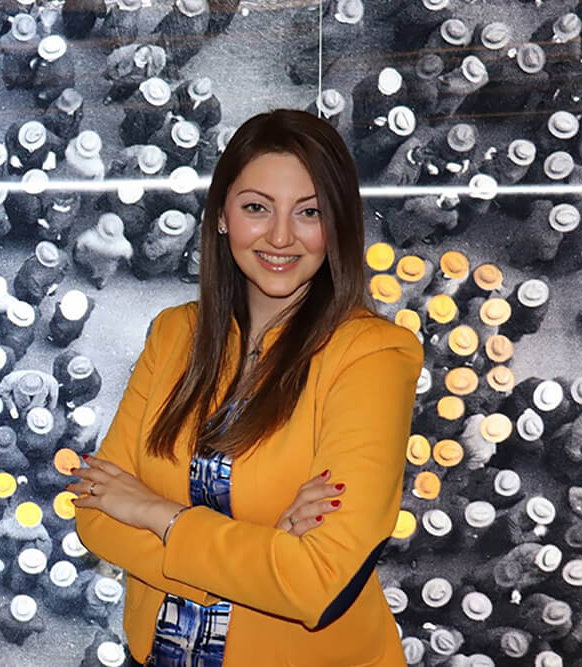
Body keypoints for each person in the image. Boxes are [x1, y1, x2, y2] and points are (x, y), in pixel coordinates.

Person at [71, 110, 423, 666]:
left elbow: (317, 583)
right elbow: (95, 511)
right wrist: (261, 557)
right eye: (256, 207)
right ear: (220, 217)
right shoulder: (174, 333)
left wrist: (158, 514)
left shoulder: (373, 355)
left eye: (309, 212)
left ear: (338, 226)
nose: (281, 236)